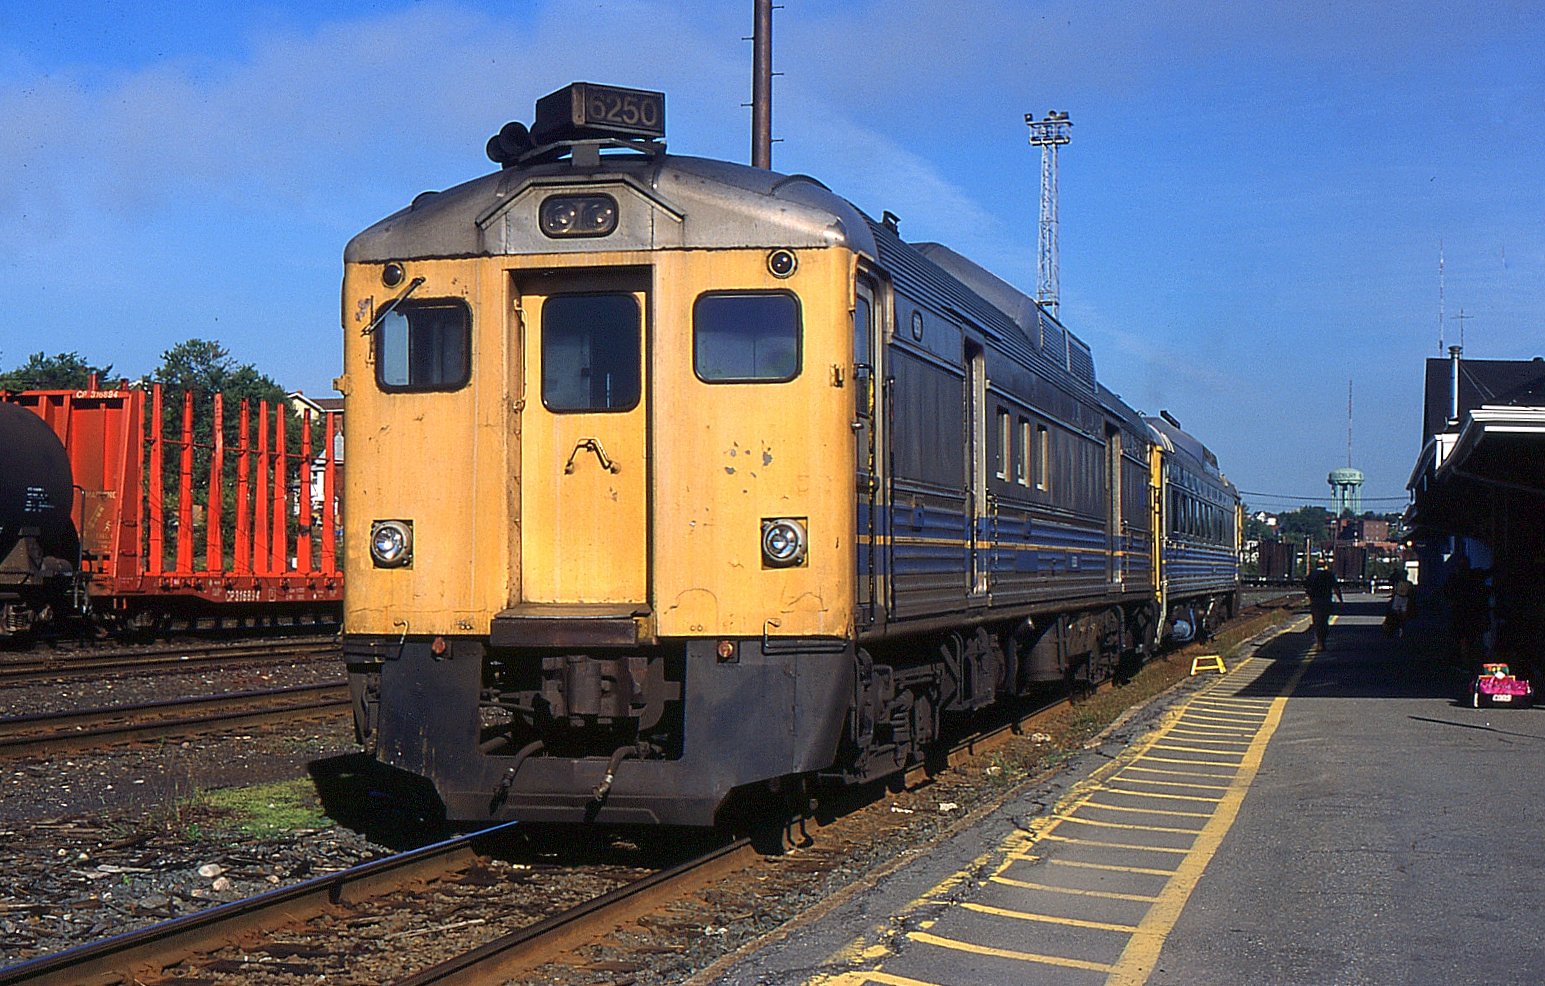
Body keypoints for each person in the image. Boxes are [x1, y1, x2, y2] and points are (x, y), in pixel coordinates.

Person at [1443, 554, 1491, 669]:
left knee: (1464, 638)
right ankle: (1471, 662)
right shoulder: (1474, 576)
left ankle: (1466, 663)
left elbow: (1446, 594)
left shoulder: (1454, 578)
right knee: (1472, 637)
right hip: (1473, 612)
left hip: (1461, 612)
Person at [1304, 563, 1342, 650]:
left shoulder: (1312, 574)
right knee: (1324, 622)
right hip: (1326, 601)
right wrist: (1340, 600)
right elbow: (1336, 588)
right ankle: (1322, 641)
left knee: (1317, 622)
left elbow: (1307, 588)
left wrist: (1310, 598)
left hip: (1316, 601)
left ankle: (1319, 642)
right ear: (1325, 566)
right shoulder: (1330, 574)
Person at [1383, 570, 1413, 638]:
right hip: (1398, 597)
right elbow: (1395, 591)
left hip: (1404, 598)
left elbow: (1411, 592)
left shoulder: (1409, 583)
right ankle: (1393, 627)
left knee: (1403, 614)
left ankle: (1401, 628)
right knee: (1394, 612)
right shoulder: (1398, 583)